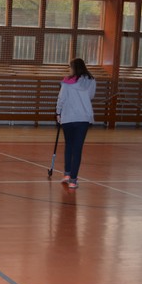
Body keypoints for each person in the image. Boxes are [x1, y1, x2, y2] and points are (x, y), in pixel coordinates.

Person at [56, 58, 96, 189]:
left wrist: (58, 112)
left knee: (69, 146)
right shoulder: (91, 80)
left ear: (73, 67)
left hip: (68, 117)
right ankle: (73, 181)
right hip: (83, 118)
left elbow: (61, 98)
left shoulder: (67, 81)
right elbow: (91, 96)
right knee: (77, 149)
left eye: (70, 67)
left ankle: (67, 175)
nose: (69, 69)